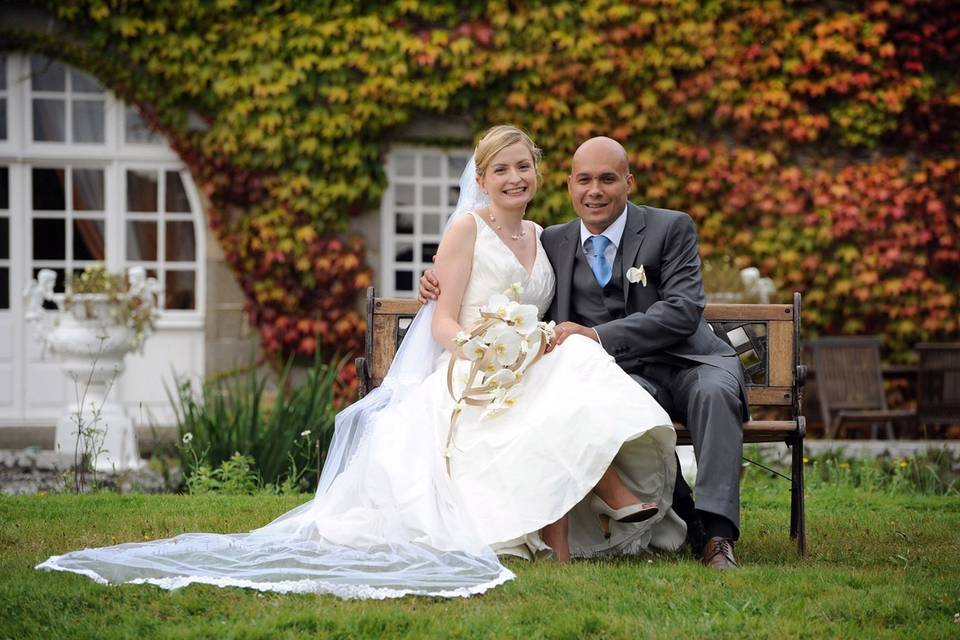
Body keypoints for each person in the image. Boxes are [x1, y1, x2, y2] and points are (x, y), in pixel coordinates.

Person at [35, 126, 684, 598]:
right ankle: (591, 514)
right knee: (536, 398)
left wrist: (533, 342)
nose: (516, 177)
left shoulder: (547, 237)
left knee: (573, 361)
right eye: (501, 169)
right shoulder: (466, 231)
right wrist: (485, 353)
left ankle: (589, 513)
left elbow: (549, 307)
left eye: (524, 166)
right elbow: (448, 318)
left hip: (519, 358)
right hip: (468, 369)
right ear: (481, 180)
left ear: (537, 173)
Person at [421, 136, 748, 570]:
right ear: (569, 185)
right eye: (585, 180)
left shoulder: (671, 227)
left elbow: (683, 311)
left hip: (689, 360)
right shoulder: (553, 239)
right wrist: (435, 276)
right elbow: (479, 272)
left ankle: (718, 538)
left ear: (628, 182)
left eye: (608, 179)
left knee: (713, 395)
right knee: (598, 401)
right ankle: (681, 518)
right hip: (621, 372)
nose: (595, 191)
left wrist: (596, 335)